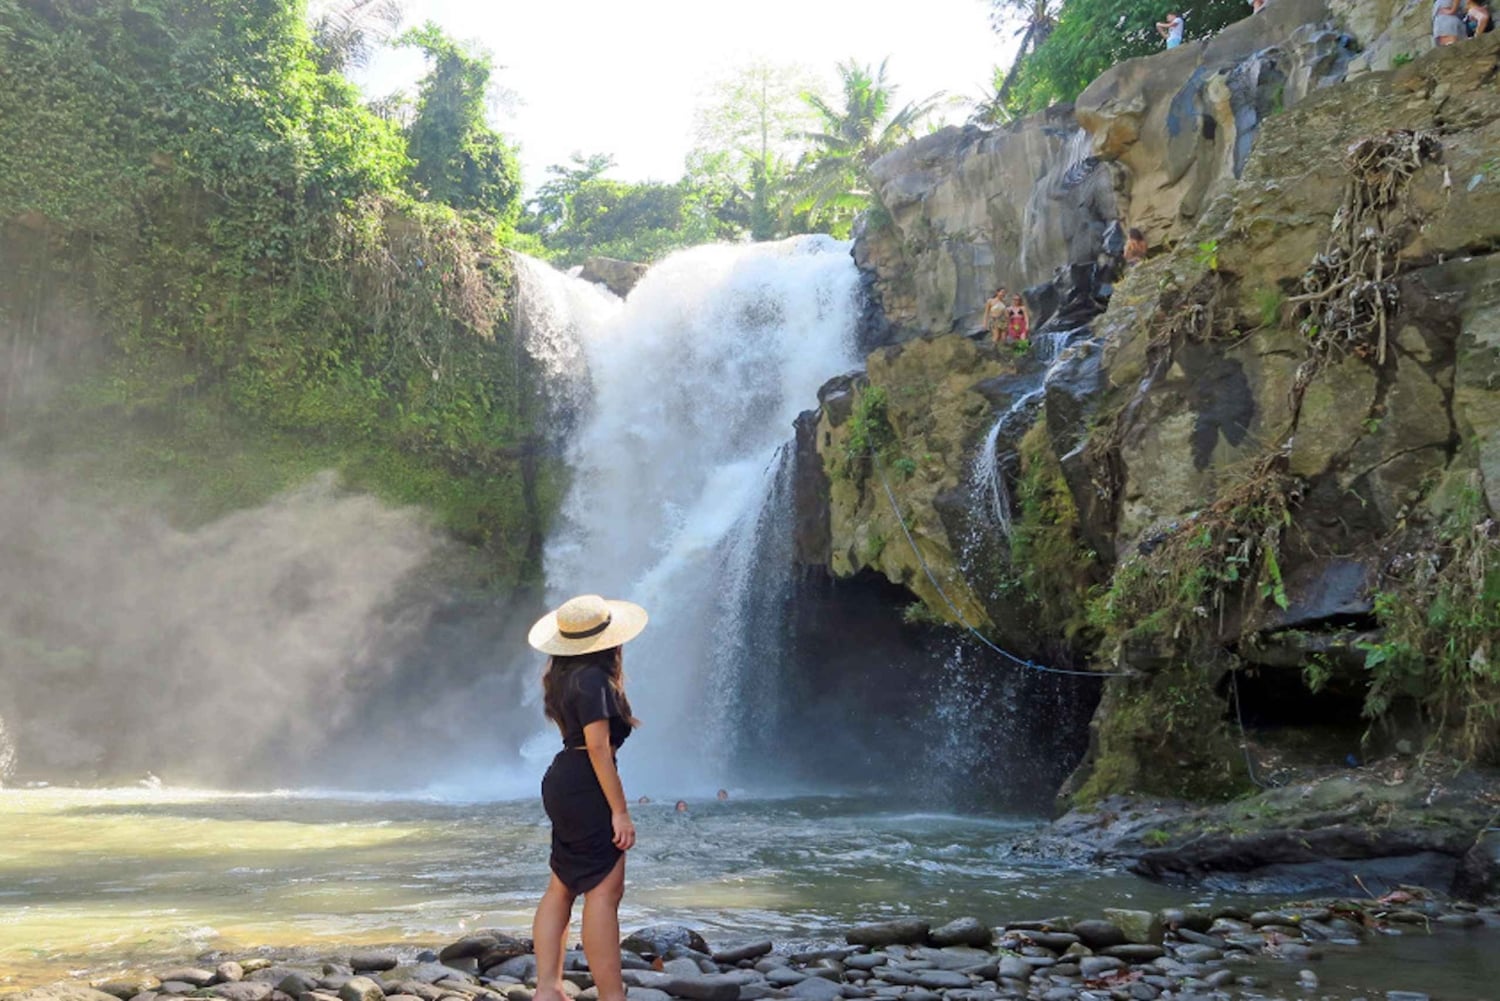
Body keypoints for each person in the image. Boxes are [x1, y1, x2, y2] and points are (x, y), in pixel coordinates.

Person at [528, 593, 649, 1001]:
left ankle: (548, 987)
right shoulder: (595, 679)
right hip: (586, 781)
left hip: (562, 779)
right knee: (604, 890)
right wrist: (620, 811)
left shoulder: (562, 677)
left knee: (561, 883)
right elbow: (598, 748)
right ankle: (611, 996)